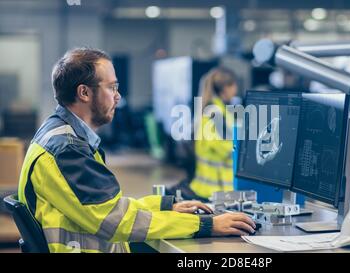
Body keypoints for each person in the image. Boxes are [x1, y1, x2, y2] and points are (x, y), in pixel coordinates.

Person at [17, 48, 255, 253]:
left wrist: (163, 206)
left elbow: (105, 208)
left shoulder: (63, 135)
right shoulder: (67, 150)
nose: (118, 96)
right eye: (111, 87)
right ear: (84, 93)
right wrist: (205, 225)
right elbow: (117, 222)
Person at [188, 67, 238, 199]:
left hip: (209, 188)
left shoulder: (215, 109)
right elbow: (226, 148)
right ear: (226, 87)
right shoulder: (215, 113)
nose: (235, 90)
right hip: (215, 191)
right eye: (234, 85)